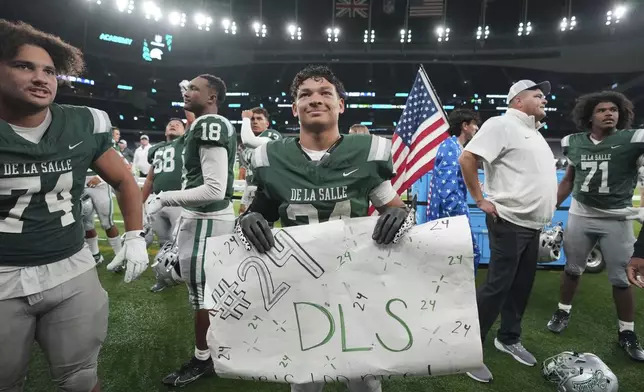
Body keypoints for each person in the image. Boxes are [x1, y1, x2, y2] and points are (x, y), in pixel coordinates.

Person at [237, 65, 413, 392]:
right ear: (294, 108)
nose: (315, 100)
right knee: (306, 379)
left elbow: (395, 207)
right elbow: (257, 212)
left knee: (364, 378)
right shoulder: (269, 157)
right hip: (300, 283)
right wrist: (249, 220)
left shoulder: (367, 152)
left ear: (340, 105)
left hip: (356, 282)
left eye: (325, 93)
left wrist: (403, 217)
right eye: (305, 95)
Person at [0, 19, 147, 392]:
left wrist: (135, 235)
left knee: (82, 379)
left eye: (49, 70)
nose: (41, 78)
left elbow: (124, 179)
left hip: (71, 268)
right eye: (24, 66)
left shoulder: (83, 123)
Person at [459, 80, 558, 383]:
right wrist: (479, 199)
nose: (544, 99)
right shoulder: (501, 123)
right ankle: (468, 349)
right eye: (537, 95)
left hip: (531, 224)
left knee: (521, 285)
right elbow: (467, 157)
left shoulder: (534, 133)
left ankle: (508, 337)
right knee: (497, 286)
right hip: (510, 220)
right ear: (517, 100)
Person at [143, 74, 237, 387]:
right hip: (203, 218)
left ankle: (204, 359)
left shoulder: (209, 123)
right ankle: (216, 350)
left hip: (207, 218)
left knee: (202, 295)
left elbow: (213, 189)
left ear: (212, 97)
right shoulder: (203, 122)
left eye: (195, 89)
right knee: (206, 293)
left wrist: (164, 197)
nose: (187, 92)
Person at [545, 91, 644, 361]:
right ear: (590, 116)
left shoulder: (632, 139)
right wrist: (551, 205)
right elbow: (568, 179)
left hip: (618, 217)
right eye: (602, 110)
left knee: (621, 279)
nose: (610, 113)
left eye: (614, 109)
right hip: (581, 214)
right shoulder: (573, 143)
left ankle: (626, 332)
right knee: (572, 269)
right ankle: (562, 311)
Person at [428, 108, 481, 274]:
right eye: (474, 124)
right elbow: (447, 190)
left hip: (450, 215)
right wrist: (458, 221)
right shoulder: (450, 147)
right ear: (465, 126)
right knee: (467, 257)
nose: (477, 128)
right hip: (450, 217)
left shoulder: (454, 147)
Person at [142, 118, 186, 292]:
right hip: (157, 200)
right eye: (169, 124)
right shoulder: (156, 149)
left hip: (179, 199)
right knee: (163, 242)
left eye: (178, 124)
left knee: (181, 243)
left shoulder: (186, 143)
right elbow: (150, 178)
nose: (173, 125)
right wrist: (140, 202)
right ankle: (162, 277)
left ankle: (184, 276)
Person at [238, 107, 282, 215]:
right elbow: (250, 176)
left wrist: (246, 119)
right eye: (252, 119)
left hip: (266, 193)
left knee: (260, 228)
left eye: (259, 119)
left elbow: (249, 140)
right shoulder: (247, 147)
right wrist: (244, 199)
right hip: (251, 190)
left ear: (267, 124)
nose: (255, 122)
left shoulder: (271, 135)